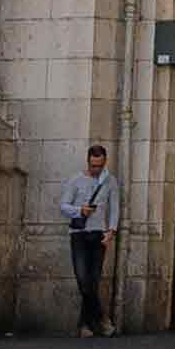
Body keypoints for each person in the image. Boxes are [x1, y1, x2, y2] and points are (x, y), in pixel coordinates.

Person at [59, 144, 118, 338]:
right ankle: (101, 318)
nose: (96, 170)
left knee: (93, 281)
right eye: (93, 165)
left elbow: (115, 208)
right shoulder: (76, 180)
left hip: (99, 234)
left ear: (104, 162)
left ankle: (84, 325)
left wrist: (111, 231)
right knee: (83, 280)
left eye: (100, 166)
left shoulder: (110, 182)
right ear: (88, 161)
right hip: (80, 234)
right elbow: (63, 206)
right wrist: (80, 210)